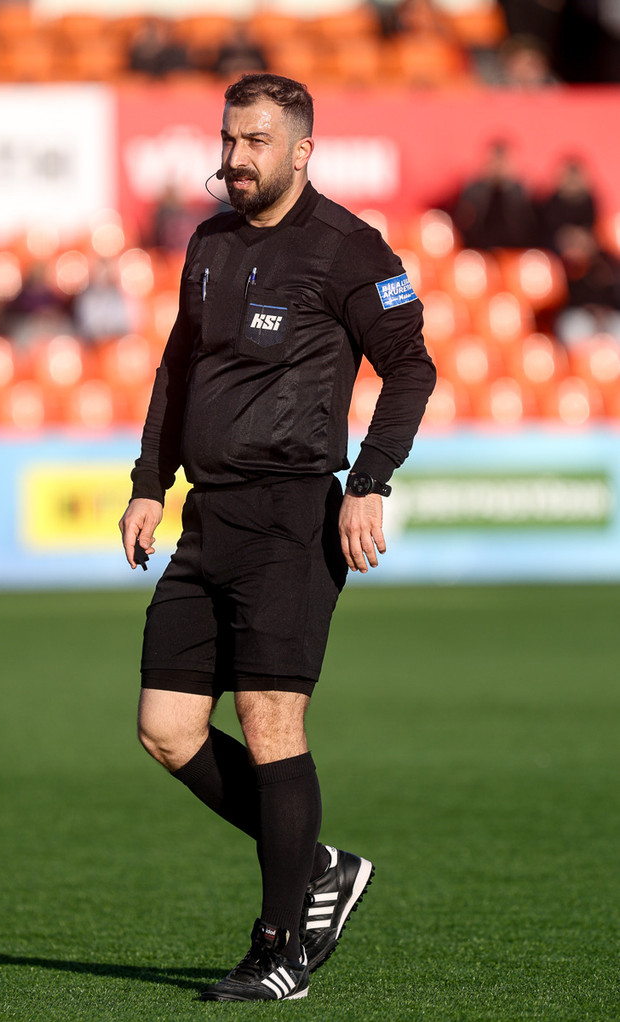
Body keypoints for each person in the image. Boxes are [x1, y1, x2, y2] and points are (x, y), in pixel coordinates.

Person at [118, 72, 436, 1003]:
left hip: (293, 517)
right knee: (166, 729)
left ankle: (280, 947)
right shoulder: (210, 241)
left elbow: (411, 367)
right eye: (228, 139)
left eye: (255, 141)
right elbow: (178, 369)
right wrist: (150, 484)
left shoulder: (348, 248)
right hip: (207, 518)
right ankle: (322, 867)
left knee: (269, 723)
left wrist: (368, 482)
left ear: (302, 150)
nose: (235, 158)